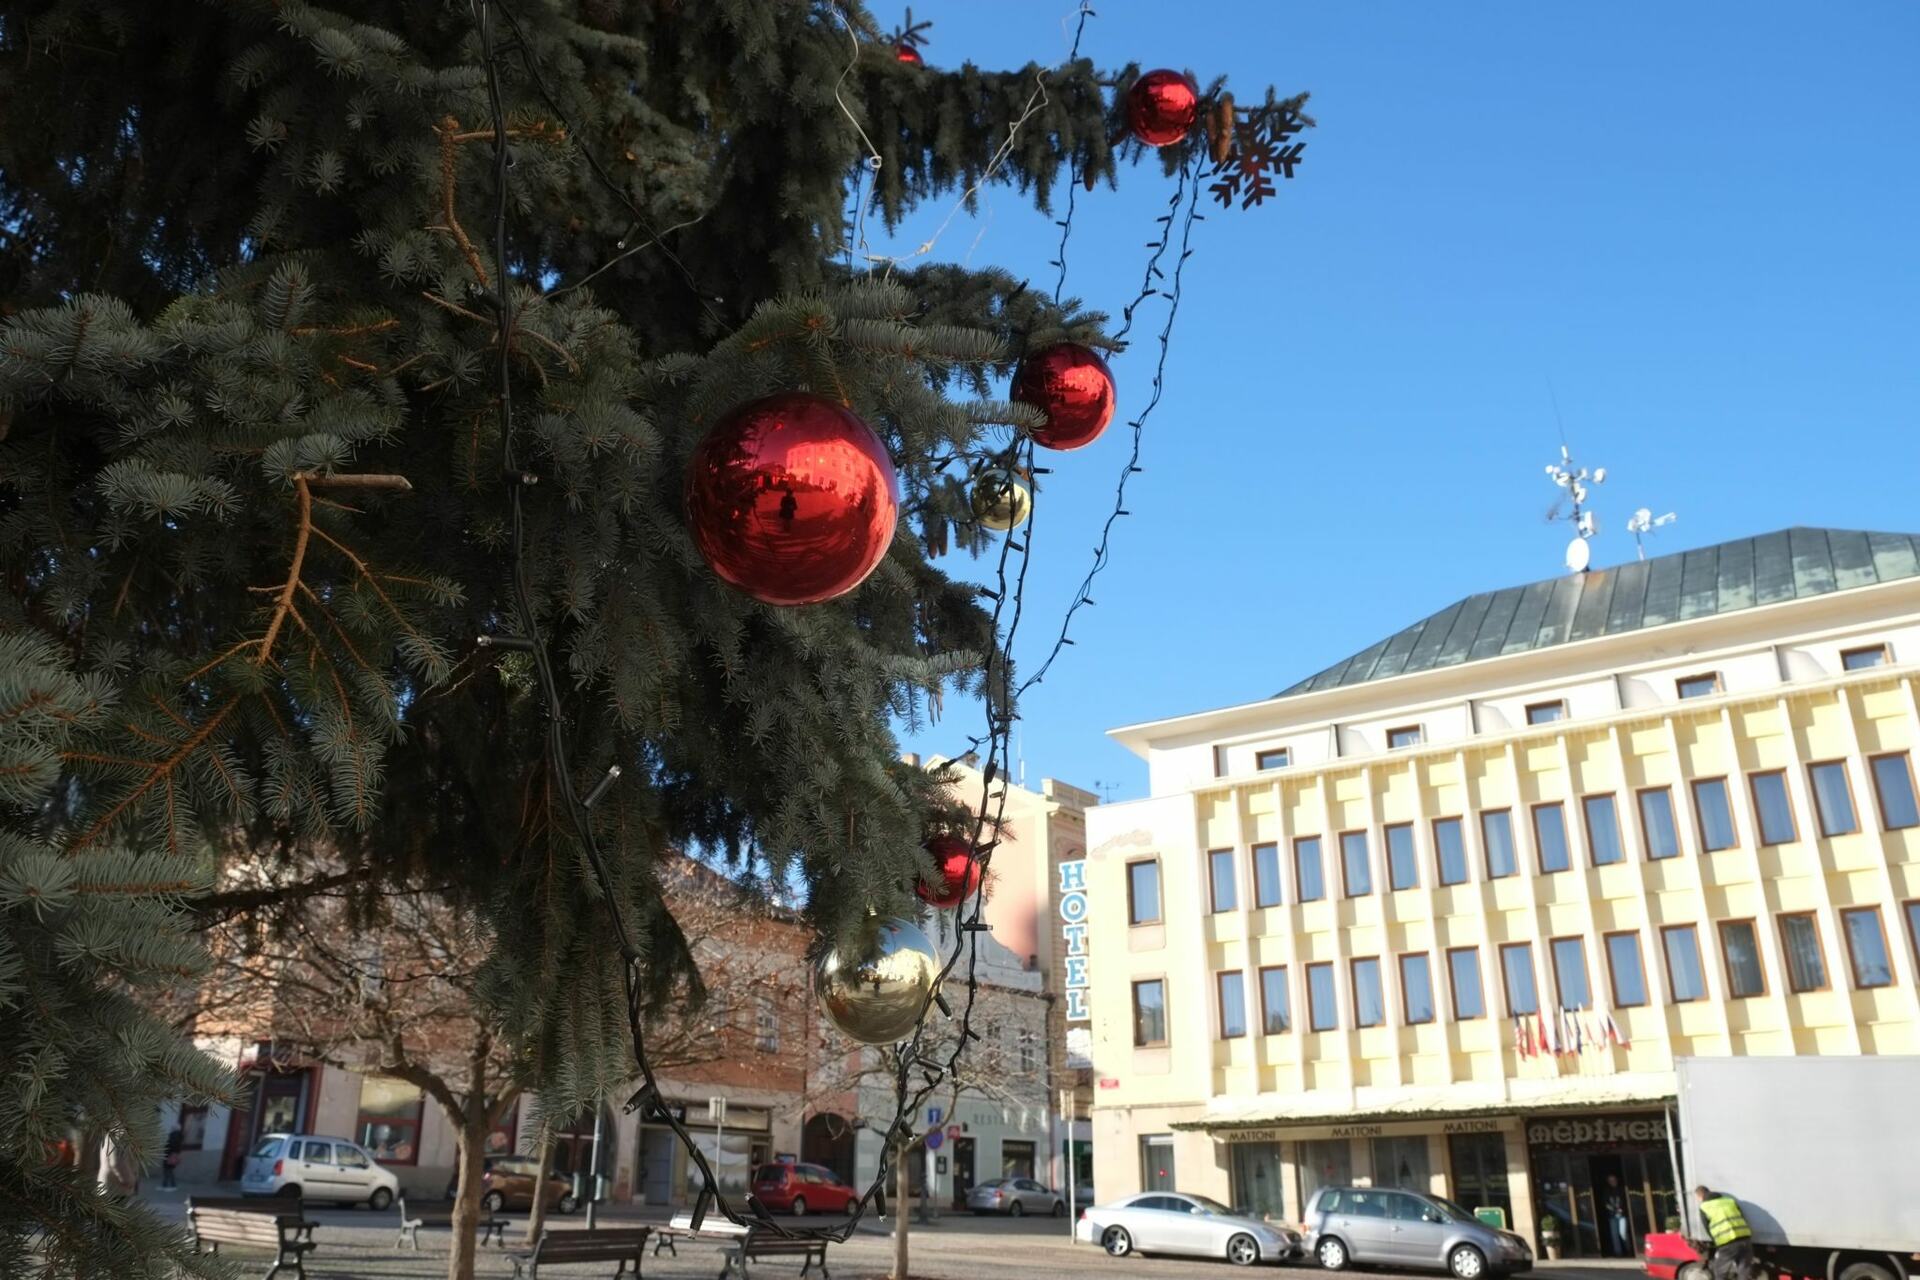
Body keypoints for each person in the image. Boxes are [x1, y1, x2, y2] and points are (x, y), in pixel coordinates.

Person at [1694, 1185, 1756, 1280]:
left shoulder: (1704, 1206)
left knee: (1720, 1271)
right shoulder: (1729, 1201)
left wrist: (1715, 1240)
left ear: (1700, 1196)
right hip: (1745, 1237)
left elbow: (1706, 1226)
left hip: (1727, 1241)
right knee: (1744, 1269)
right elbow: (1742, 1216)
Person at [1603, 1175, 1632, 1257]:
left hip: (1622, 1215)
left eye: (1613, 1180)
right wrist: (1613, 1209)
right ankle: (1618, 1253)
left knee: (1623, 1233)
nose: (1612, 1182)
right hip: (1612, 1216)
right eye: (1610, 1180)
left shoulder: (1622, 1189)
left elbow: (1626, 1201)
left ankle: (1628, 1250)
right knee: (1614, 1235)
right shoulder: (1607, 1191)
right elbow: (1605, 1203)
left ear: (1617, 1180)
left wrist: (1622, 1209)